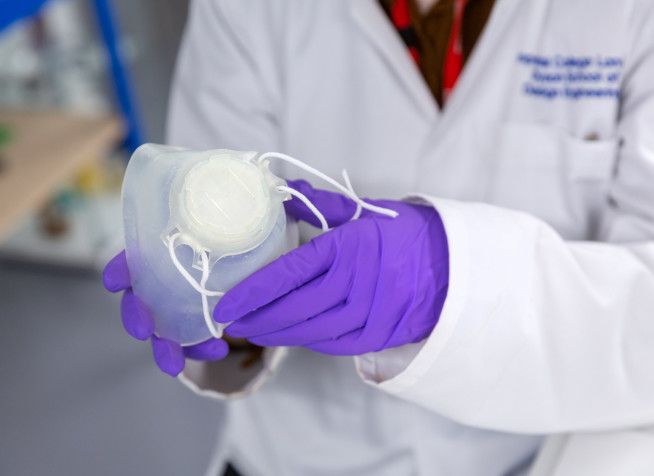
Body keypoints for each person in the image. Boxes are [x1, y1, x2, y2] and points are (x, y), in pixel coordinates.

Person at [102, 0, 654, 474]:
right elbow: (210, 191)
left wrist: (450, 283)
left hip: (523, 453)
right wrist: (221, 309)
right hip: (297, 455)